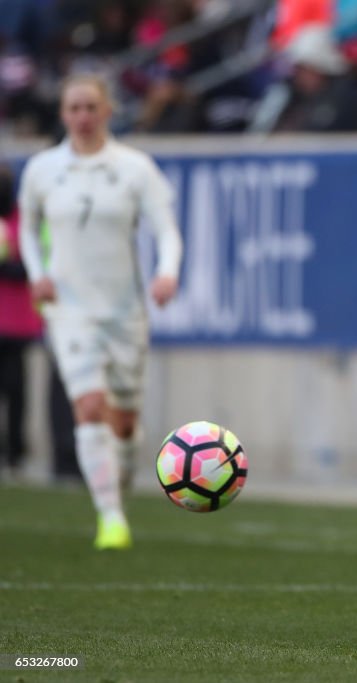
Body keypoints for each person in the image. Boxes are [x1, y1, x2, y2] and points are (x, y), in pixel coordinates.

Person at [18, 74, 183, 550]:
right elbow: (28, 228)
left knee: (125, 421)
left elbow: (167, 230)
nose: (83, 117)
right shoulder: (43, 170)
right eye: (74, 108)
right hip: (68, 307)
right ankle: (110, 518)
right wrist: (37, 272)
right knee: (89, 406)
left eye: (91, 107)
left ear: (107, 111)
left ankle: (119, 490)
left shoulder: (135, 169)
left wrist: (167, 272)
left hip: (124, 308)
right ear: (63, 114)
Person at [0, 164, 44, 479]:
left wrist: (10, 267)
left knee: (16, 388)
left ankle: (15, 452)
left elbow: (37, 262)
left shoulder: (25, 220)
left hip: (17, 320)